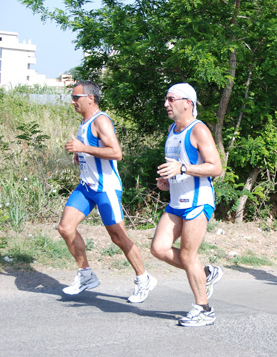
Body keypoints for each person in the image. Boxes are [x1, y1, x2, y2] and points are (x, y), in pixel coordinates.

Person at [58, 80, 156, 303]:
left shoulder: (101, 120)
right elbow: (93, 151)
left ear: (90, 98)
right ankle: (86, 275)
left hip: (106, 189)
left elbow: (116, 153)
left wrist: (83, 148)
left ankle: (144, 278)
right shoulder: (84, 122)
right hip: (86, 187)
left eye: (76, 98)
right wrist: (79, 155)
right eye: (72, 98)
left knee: (118, 237)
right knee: (65, 228)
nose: (73, 102)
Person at [151, 83, 224, 327]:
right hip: (176, 200)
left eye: (171, 99)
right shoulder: (172, 129)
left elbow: (216, 167)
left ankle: (204, 309)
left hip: (197, 200)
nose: (166, 104)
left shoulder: (199, 130)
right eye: (166, 99)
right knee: (159, 249)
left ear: (187, 103)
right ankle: (204, 274)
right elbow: (178, 166)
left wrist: (182, 168)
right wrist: (168, 180)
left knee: (187, 254)